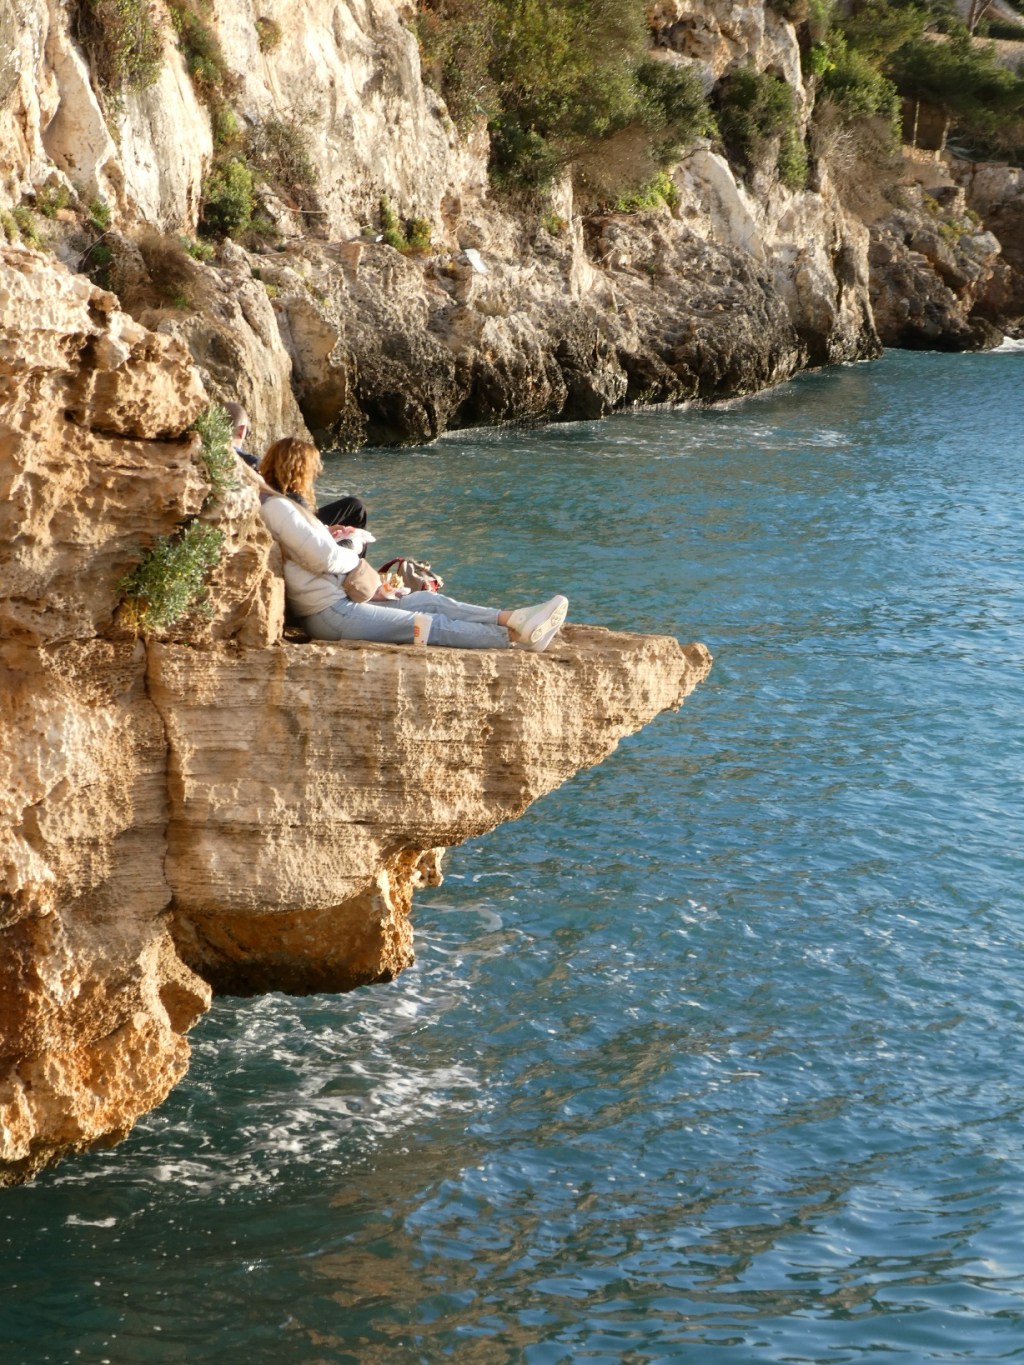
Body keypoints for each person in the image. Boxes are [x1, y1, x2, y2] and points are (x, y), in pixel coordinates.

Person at [257, 437, 568, 651]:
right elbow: (323, 558)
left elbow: (313, 551)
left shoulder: (284, 506)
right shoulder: (279, 507)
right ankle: (514, 637)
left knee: (430, 602)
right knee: (426, 623)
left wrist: (333, 536)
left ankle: (517, 619)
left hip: (338, 603)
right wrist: (353, 552)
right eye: (312, 470)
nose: (314, 477)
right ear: (298, 470)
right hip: (330, 613)